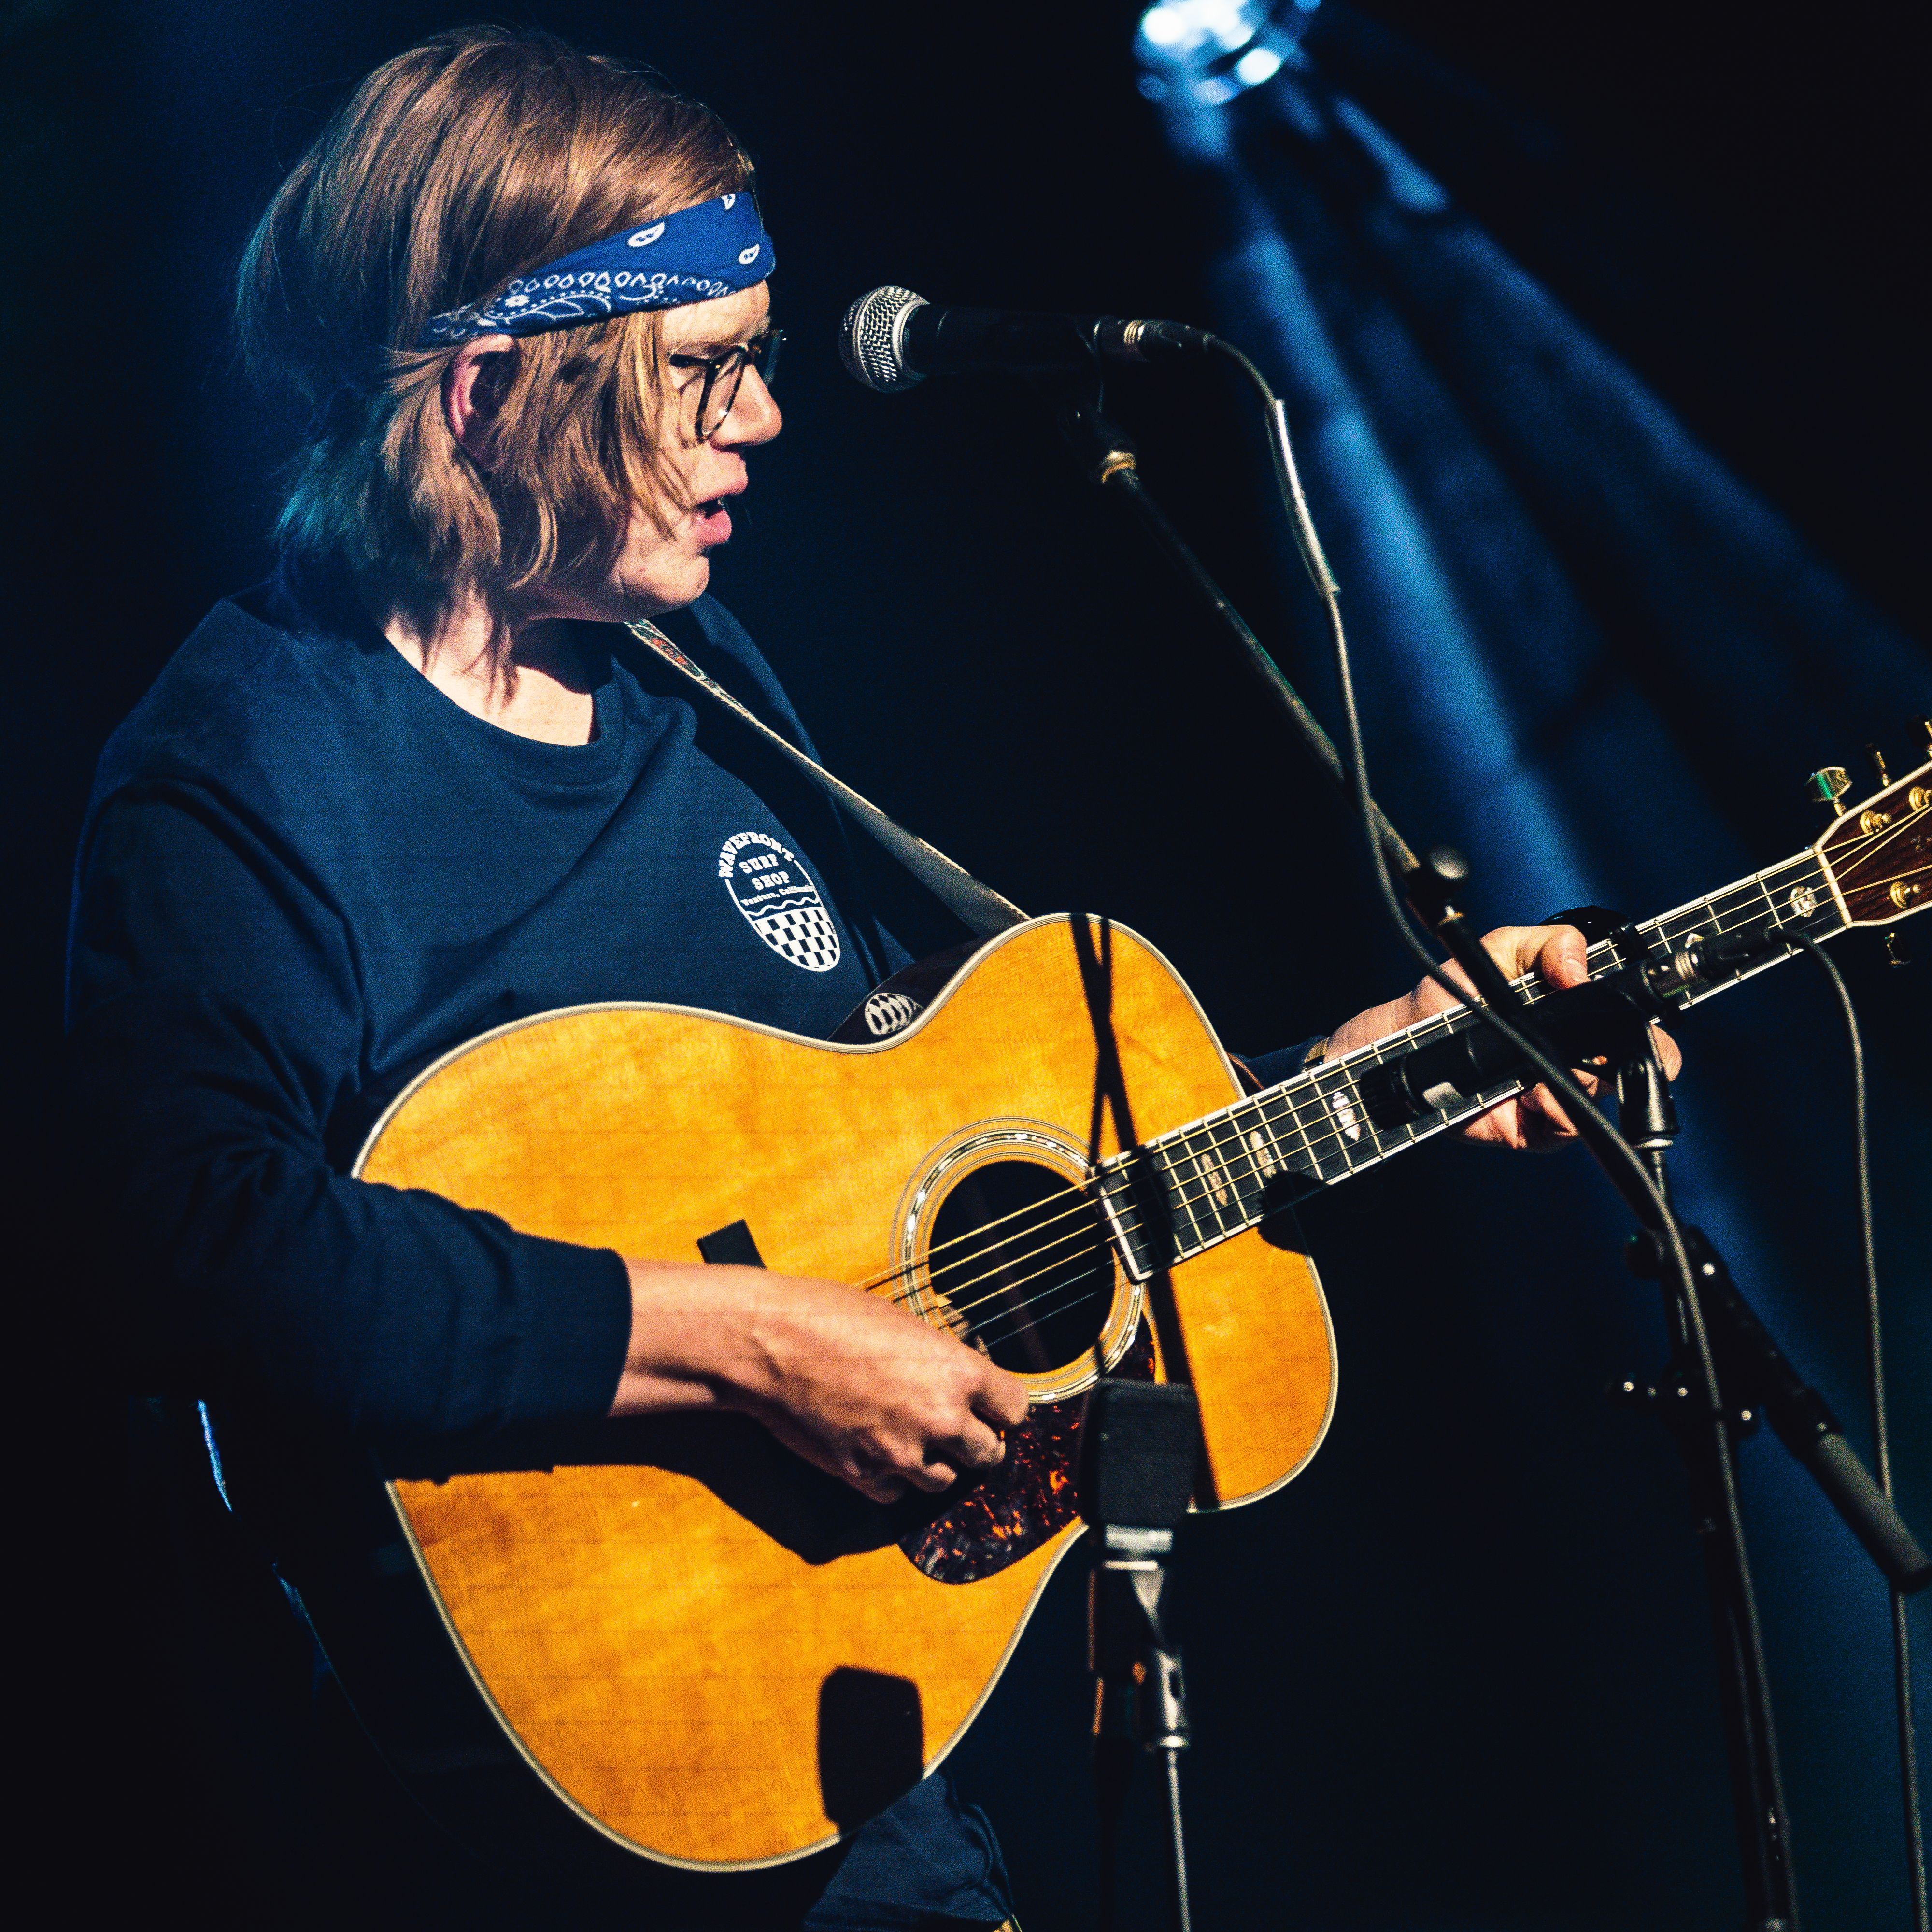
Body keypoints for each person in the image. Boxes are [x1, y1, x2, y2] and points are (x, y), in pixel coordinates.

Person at [66, 26, 1675, 1932]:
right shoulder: (243, 765)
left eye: (753, 361)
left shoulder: (701, 679)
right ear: (492, 394)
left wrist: (1356, 1060)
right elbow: (197, 1257)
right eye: (704, 372)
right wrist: (751, 1344)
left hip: (859, 1790)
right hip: (493, 1832)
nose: (763, 421)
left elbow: (902, 1136)